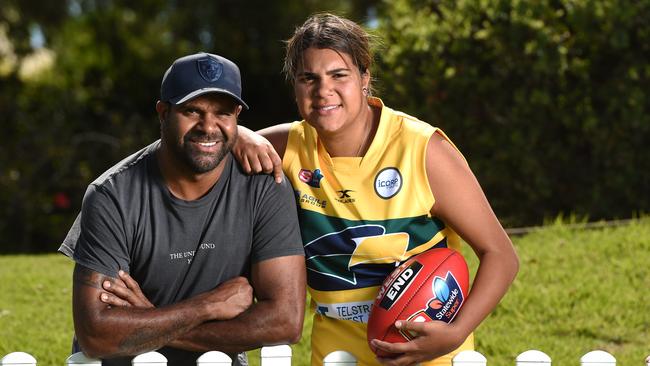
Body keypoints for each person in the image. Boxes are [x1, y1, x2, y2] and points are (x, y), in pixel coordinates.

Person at [231, 13, 519, 366]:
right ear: (296, 86)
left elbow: (501, 255)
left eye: (339, 75)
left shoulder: (423, 150)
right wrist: (239, 133)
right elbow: (203, 146)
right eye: (309, 78)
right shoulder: (285, 147)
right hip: (337, 355)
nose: (324, 91)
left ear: (365, 77)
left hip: (425, 353)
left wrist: (455, 334)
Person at [58, 52, 306, 366]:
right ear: (163, 113)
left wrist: (149, 320)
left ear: (237, 116)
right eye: (192, 110)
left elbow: (285, 321)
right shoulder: (113, 195)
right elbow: (96, 334)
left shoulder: (264, 186)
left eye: (223, 113)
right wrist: (206, 307)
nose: (208, 126)